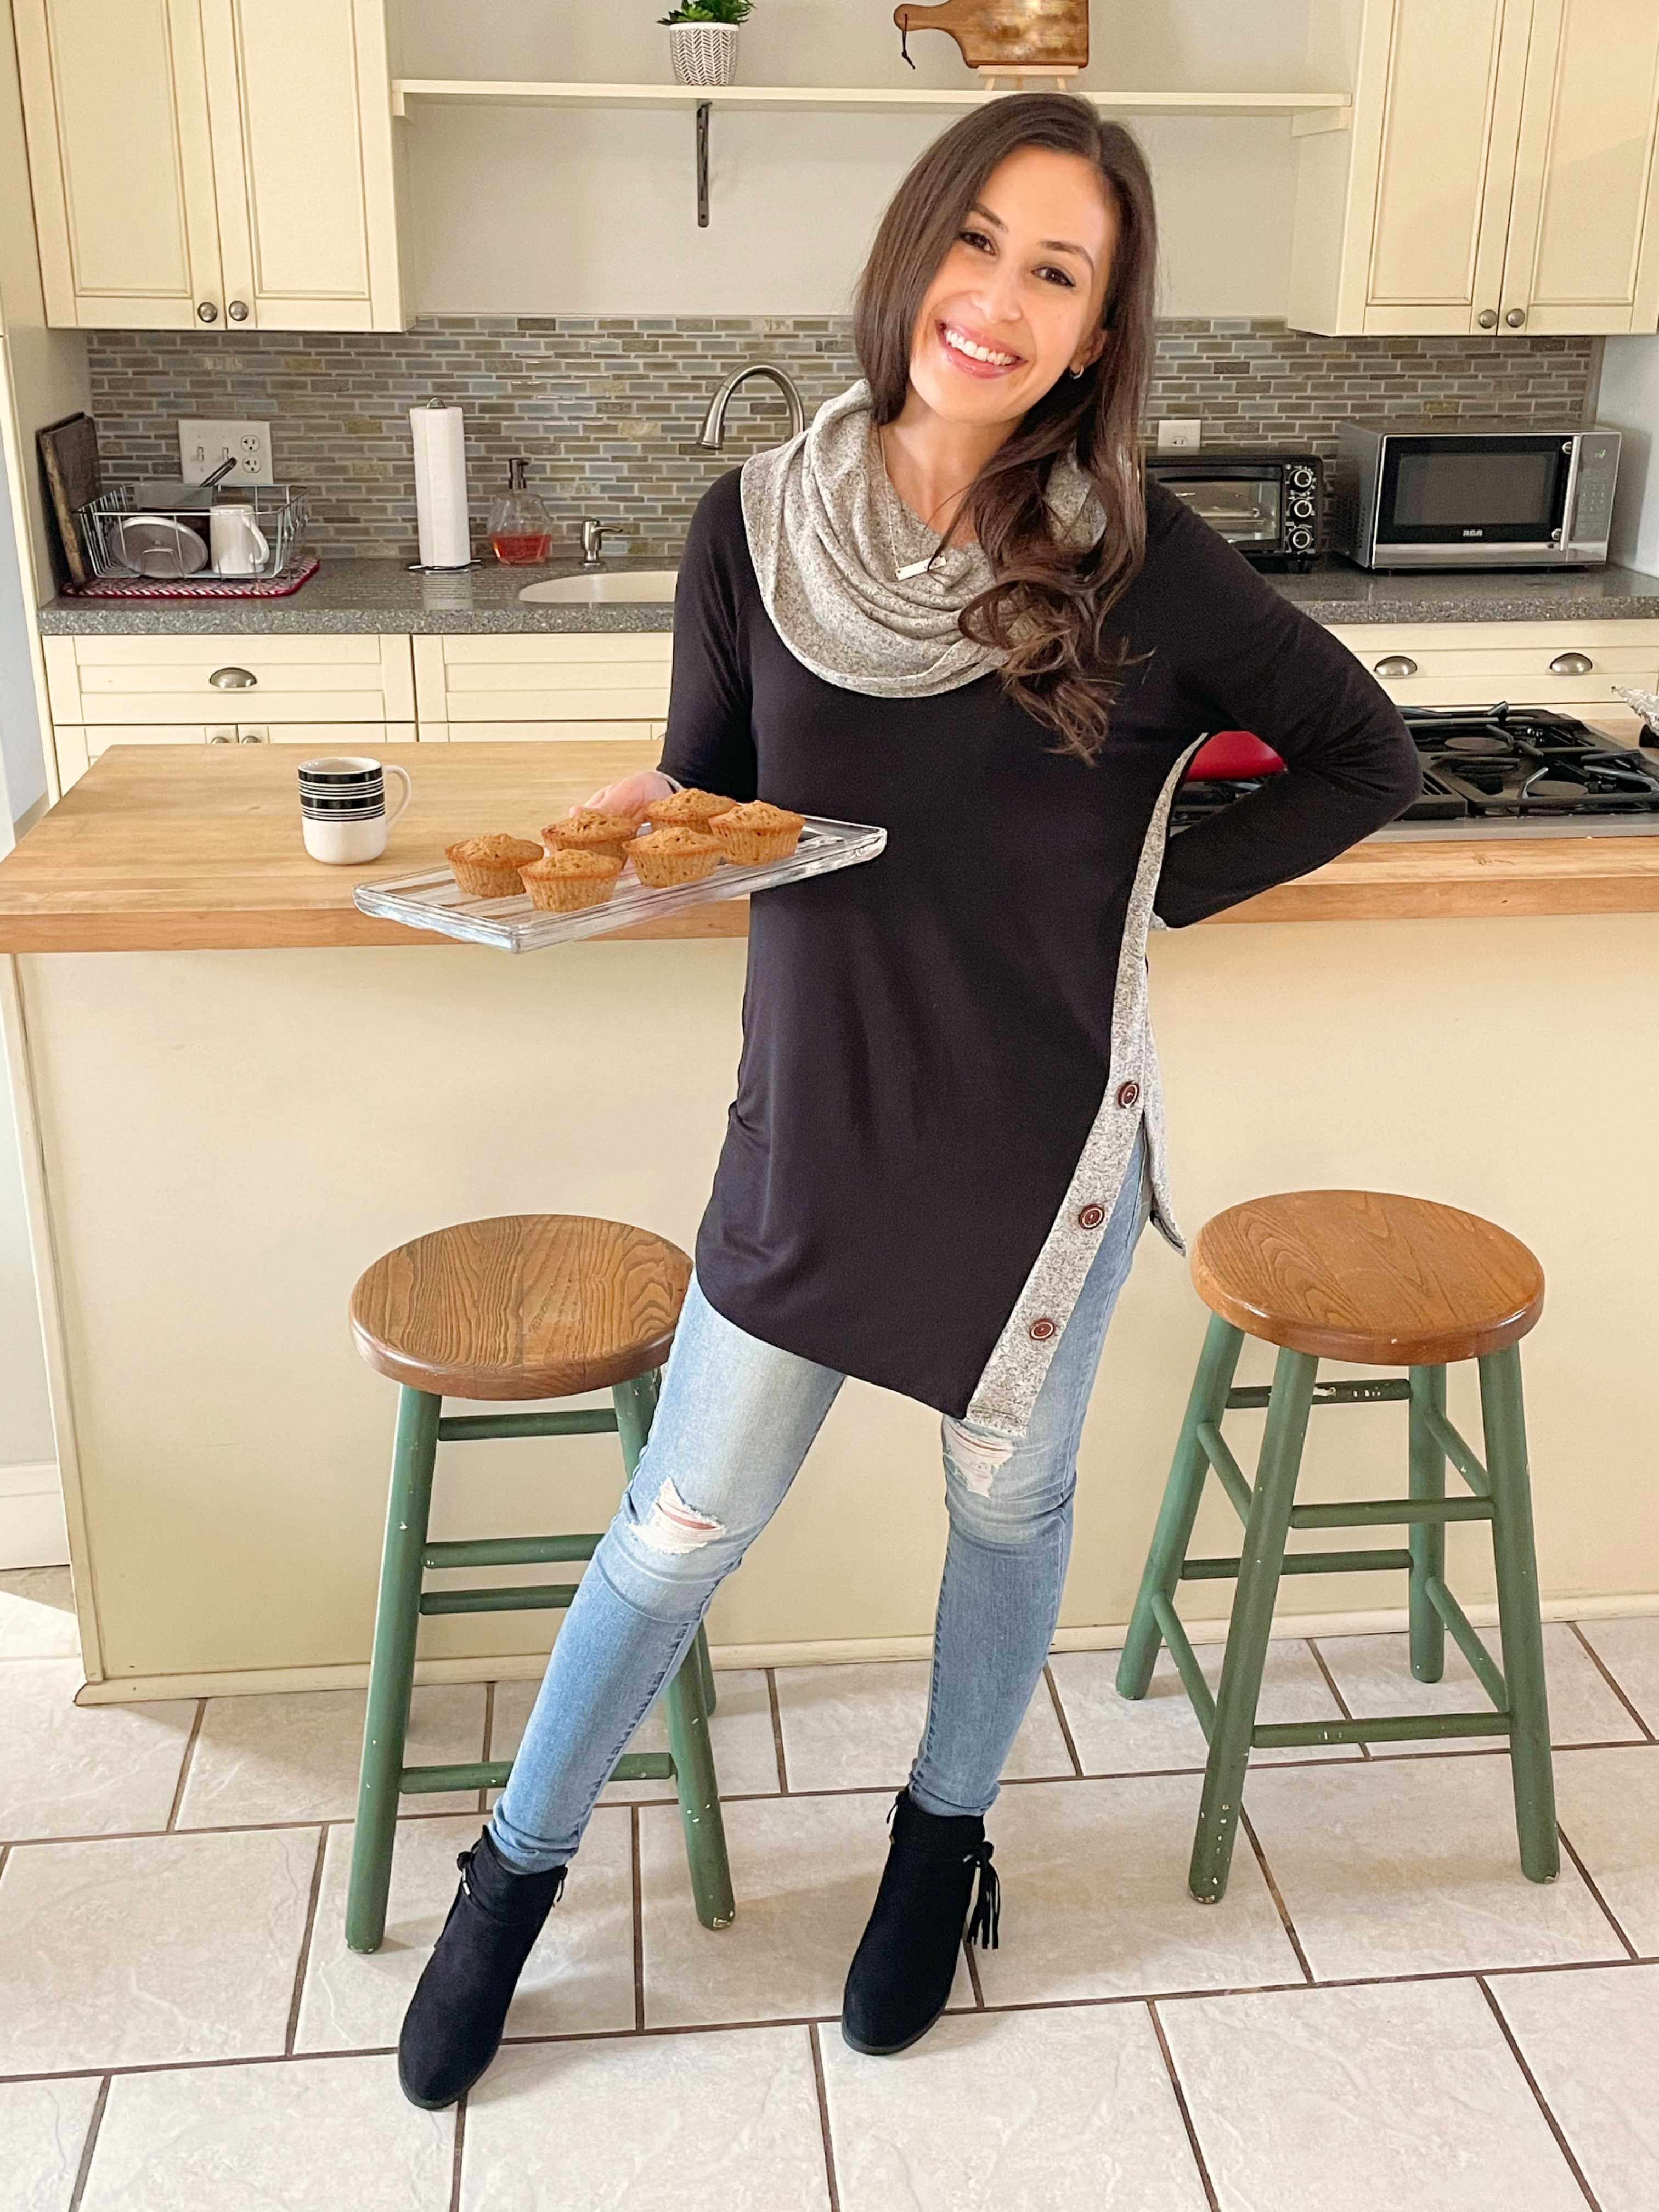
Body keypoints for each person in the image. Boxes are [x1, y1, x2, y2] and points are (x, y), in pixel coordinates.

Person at [396, 93, 1420, 2111]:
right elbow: (718, 791)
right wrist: (640, 829)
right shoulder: (749, 525)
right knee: (679, 1529)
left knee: (1004, 1502)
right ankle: (509, 1881)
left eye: (1062, 271)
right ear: (912, 254)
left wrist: (1128, 897)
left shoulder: (1143, 560)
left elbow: (1363, 757)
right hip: (821, 1120)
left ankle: (940, 1850)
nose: (1002, 297)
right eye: (979, 242)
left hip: (1041, 1144)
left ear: (1102, 331)